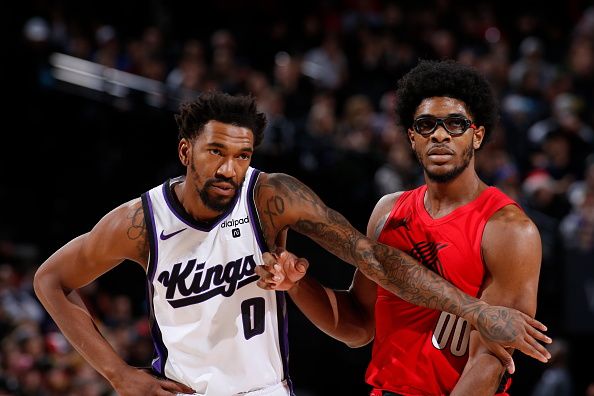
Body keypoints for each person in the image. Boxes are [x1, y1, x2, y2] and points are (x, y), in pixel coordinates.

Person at [33, 90, 550, 396]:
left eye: (242, 155)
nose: (230, 168)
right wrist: (117, 375)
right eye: (216, 152)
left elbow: (373, 260)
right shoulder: (139, 222)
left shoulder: (271, 197)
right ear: (186, 150)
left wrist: (475, 311)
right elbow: (51, 281)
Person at [257, 60, 546, 395]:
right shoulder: (388, 211)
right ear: (412, 137)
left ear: (477, 135)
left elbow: (490, 362)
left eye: (455, 124)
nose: (440, 134)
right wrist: (297, 284)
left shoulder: (509, 229)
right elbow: (359, 325)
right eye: (427, 125)